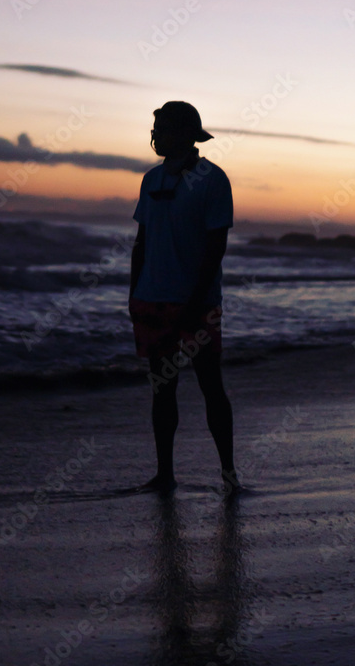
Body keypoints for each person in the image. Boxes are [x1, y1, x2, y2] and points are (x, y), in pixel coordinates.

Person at [129, 101, 240, 497]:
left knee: (211, 386)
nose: (155, 134)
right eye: (154, 127)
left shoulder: (213, 179)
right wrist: (133, 293)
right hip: (153, 299)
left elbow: (216, 246)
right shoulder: (151, 179)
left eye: (160, 127)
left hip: (197, 303)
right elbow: (141, 243)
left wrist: (197, 301)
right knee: (163, 390)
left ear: (182, 132)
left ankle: (229, 476)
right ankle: (165, 475)